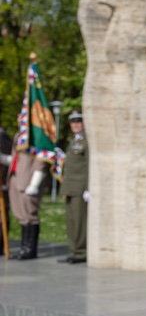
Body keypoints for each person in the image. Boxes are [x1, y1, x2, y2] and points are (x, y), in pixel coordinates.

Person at [4, 148, 48, 261]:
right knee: (21, 215)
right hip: (15, 179)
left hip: (28, 181)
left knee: (29, 215)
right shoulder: (20, 135)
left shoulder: (36, 133)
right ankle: (24, 248)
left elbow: (41, 159)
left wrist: (35, 183)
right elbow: (16, 159)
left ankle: (30, 249)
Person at [59, 110, 89, 264]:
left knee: (79, 222)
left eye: (79, 121)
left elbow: (89, 165)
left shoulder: (87, 141)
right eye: (73, 122)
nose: (76, 124)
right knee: (71, 222)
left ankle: (81, 253)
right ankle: (73, 251)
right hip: (70, 188)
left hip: (80, 188)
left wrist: (88, 188)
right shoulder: (73, 141)